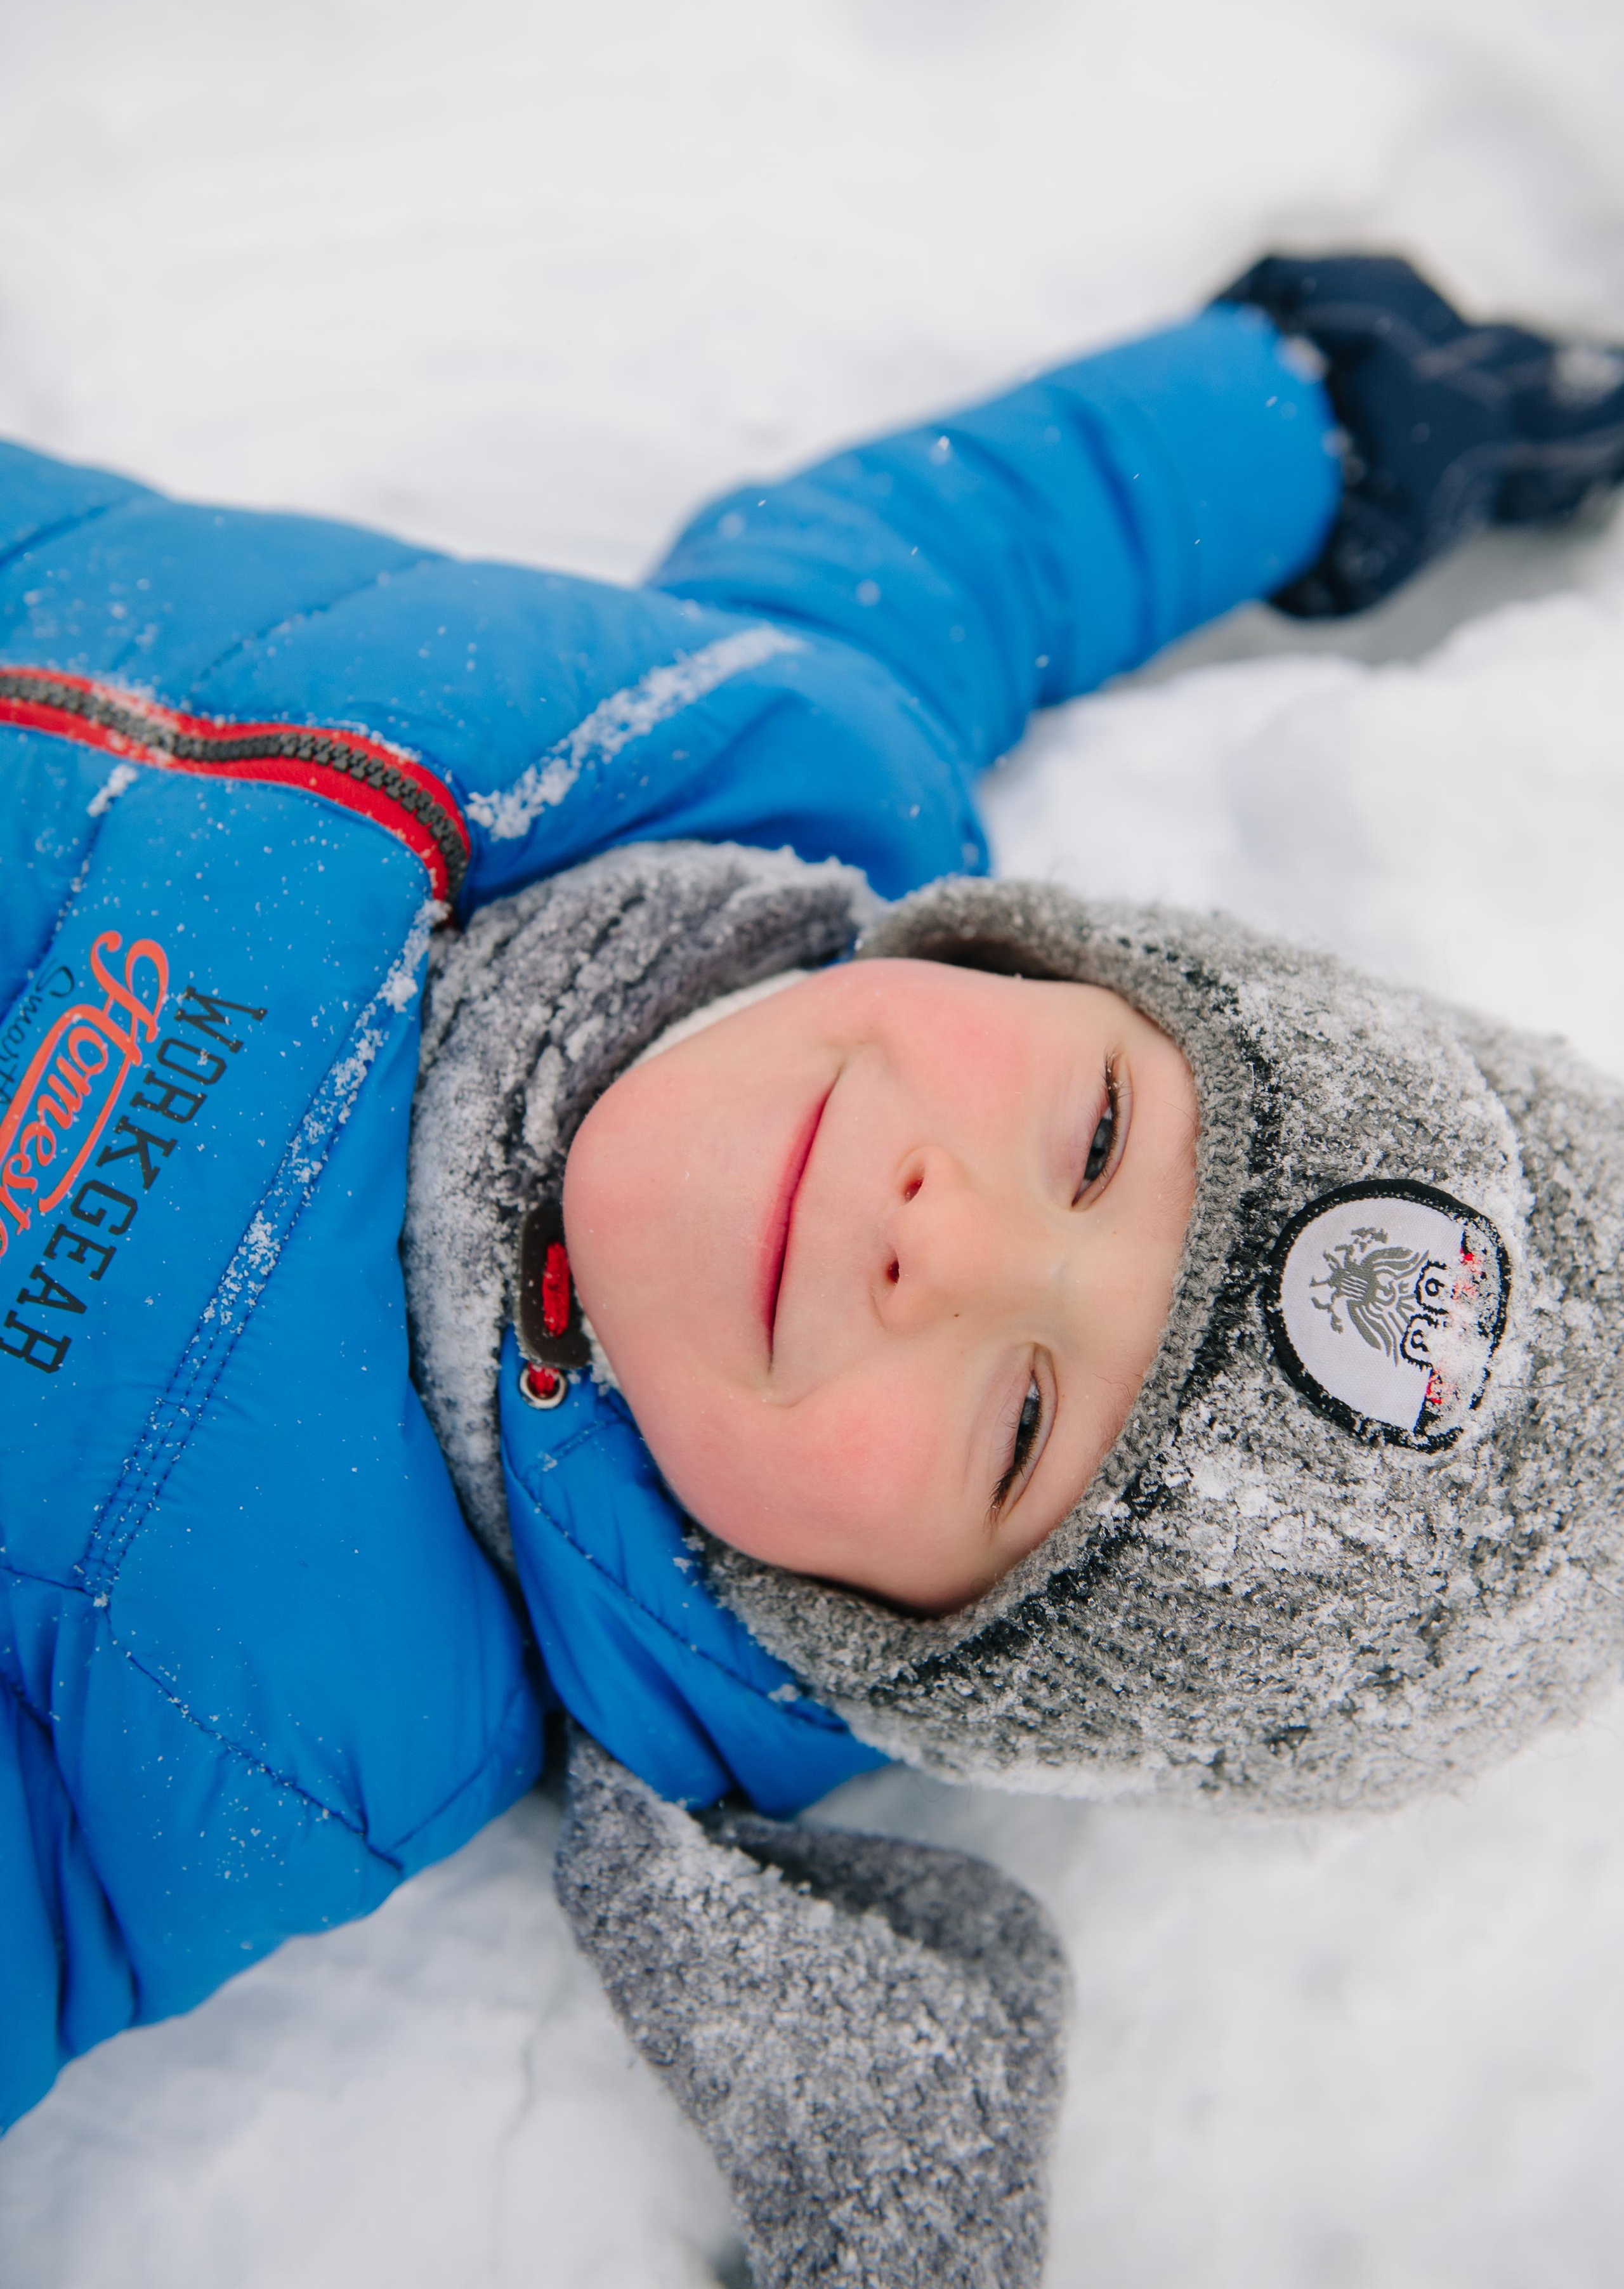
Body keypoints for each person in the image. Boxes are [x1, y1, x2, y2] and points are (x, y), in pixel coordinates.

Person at [5, 253, 1624, 2285]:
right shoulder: (780, 744)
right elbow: (983, 539)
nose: (944, 1242)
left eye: (1026, 1417)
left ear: (890, 1635)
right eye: (1100, 1140)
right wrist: (1311, 415)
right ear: (1049, 961)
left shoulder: (273, 1721)